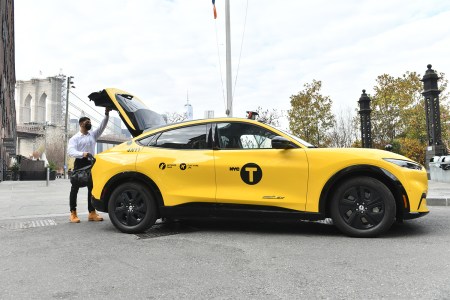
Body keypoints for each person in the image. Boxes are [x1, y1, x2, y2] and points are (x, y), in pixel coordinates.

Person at [67, 108, 111, 223]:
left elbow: (102, 126)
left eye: (90, 122)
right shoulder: (74, 138)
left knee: (92, 188)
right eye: (87, 122)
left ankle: (92, 213)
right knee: (74, 188)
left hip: (91, 164)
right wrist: (83, 154)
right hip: (80, 163)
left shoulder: (93, 135)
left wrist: (106, 114)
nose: (89, 124)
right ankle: (73, 213)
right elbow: (70, 152)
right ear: (81, 124)